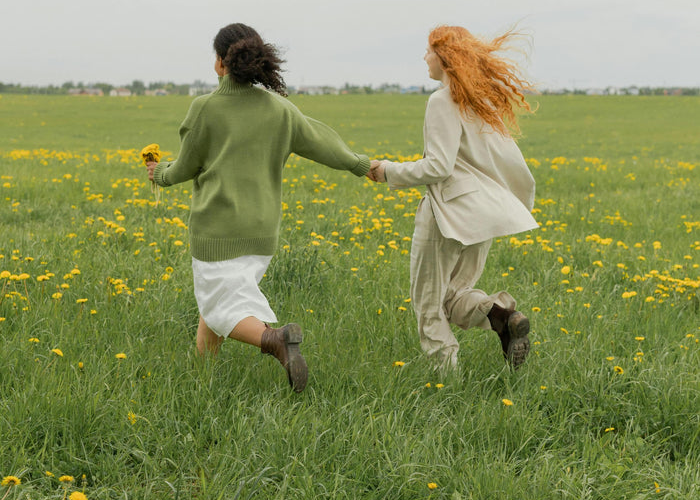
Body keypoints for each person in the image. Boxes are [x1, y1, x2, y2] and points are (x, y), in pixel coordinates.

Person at [146, 23, 371, 392]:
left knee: (222, 304)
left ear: (221, 63)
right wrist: (360, 164)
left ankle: (276, 340)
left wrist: (160, 174)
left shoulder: (205, 108)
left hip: (217, 229)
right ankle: (203, 375)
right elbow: (321, 141)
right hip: (262, 232)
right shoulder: (280, 109)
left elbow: (185, 167)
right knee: (217, 299)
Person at [368, 25, 538, 372]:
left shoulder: (442, 100)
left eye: (429, 50)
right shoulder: (479, 99)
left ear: (445, 57)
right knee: (453, 296)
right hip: (484, 213)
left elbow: (438, 167)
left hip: (447, 214)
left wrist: (387, 171)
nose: (424, 57)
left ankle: (447, 383)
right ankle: (501, 316)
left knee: (429, 305)